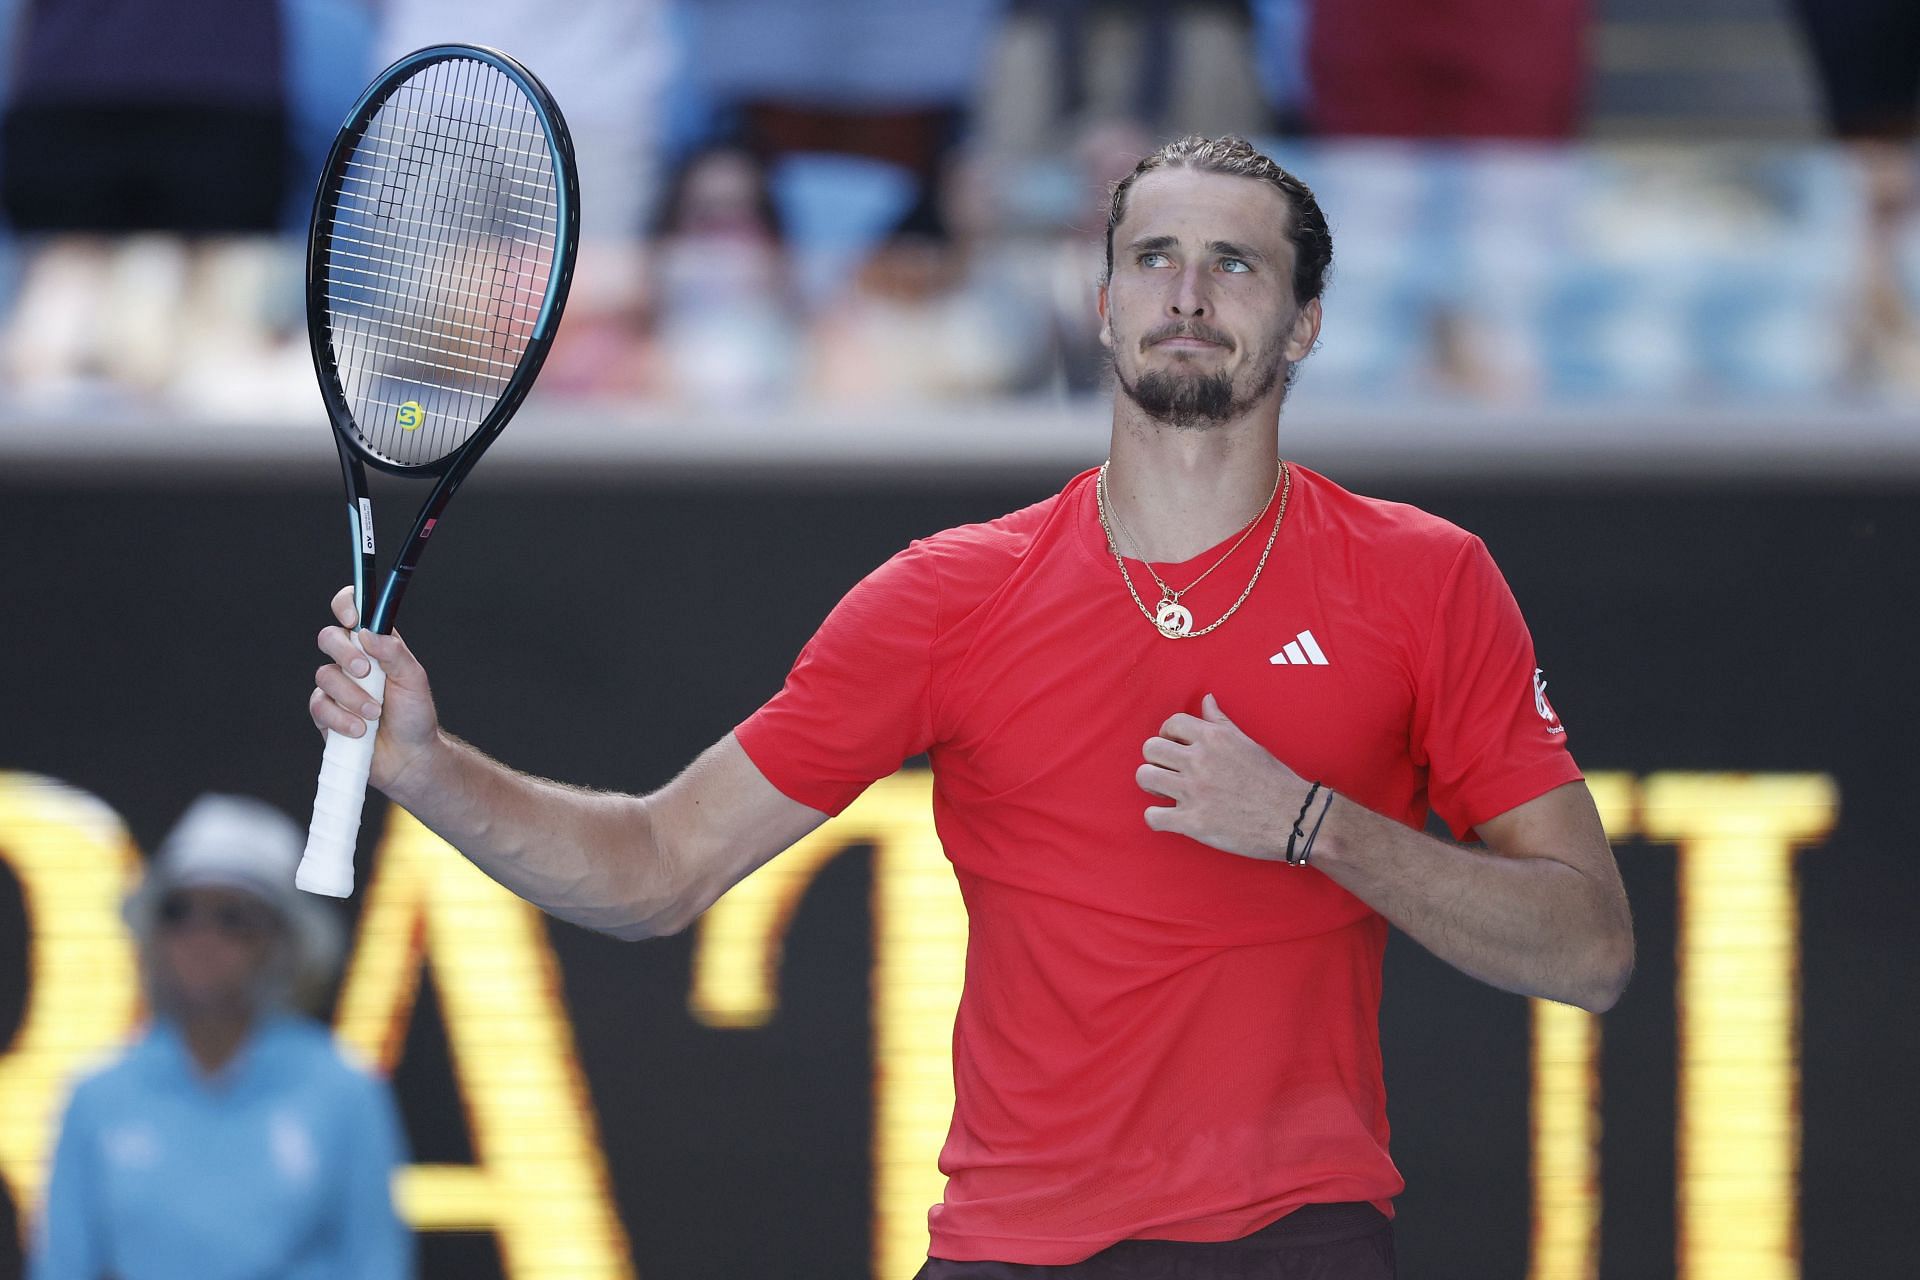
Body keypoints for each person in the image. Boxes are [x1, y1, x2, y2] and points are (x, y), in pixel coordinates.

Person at [308, 135, 1633, 1276]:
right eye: (1153, 257)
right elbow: (659, 866)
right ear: (1102, 306)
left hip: (1292, 1241)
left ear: (1303, 323)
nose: (1187, 291)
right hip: (1010, 1245)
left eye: (1236, 263)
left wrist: (1316, 827)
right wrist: (428, 769)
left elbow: (1590, 950)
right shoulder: (950, 596)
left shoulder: (1424, 580)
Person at [30, 795, 414, 1280]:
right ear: (153, 936)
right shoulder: (95, 1097)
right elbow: (61, 1268)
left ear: (281, 945)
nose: (200, 934)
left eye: (232, 917)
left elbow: (377, 1265)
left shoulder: (346, 1092)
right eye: (178, 911)